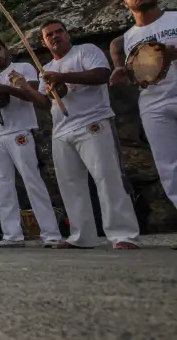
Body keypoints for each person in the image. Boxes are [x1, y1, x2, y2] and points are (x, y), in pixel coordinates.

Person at [15, 19, 139, 250]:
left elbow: (102, 74)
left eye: (58, 32)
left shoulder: (86, 51)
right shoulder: (47, 68)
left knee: (106, 177)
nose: (54, 37)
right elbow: (44, 102)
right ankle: (82, 236)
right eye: (48, 35)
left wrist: (63, 78)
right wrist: (25, 87)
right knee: (70, 184)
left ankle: (123, 234)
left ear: (67, 34)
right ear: (44, 41)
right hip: (61, 129)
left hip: (93, 123)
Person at [0, 40, 62, 248]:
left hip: (20, 130)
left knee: (31, 179)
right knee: (1, 183)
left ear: (6, 51)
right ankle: (12, 235)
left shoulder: (23, 68)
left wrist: (5, 88)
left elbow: (33, 94)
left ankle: (51, 233)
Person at [110, 0, 177, 249]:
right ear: (126, 2)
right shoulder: (127, 39)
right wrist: (122, 74)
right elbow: (134, 76)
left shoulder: (174, 19)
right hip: (153, 103)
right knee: (169, 166)